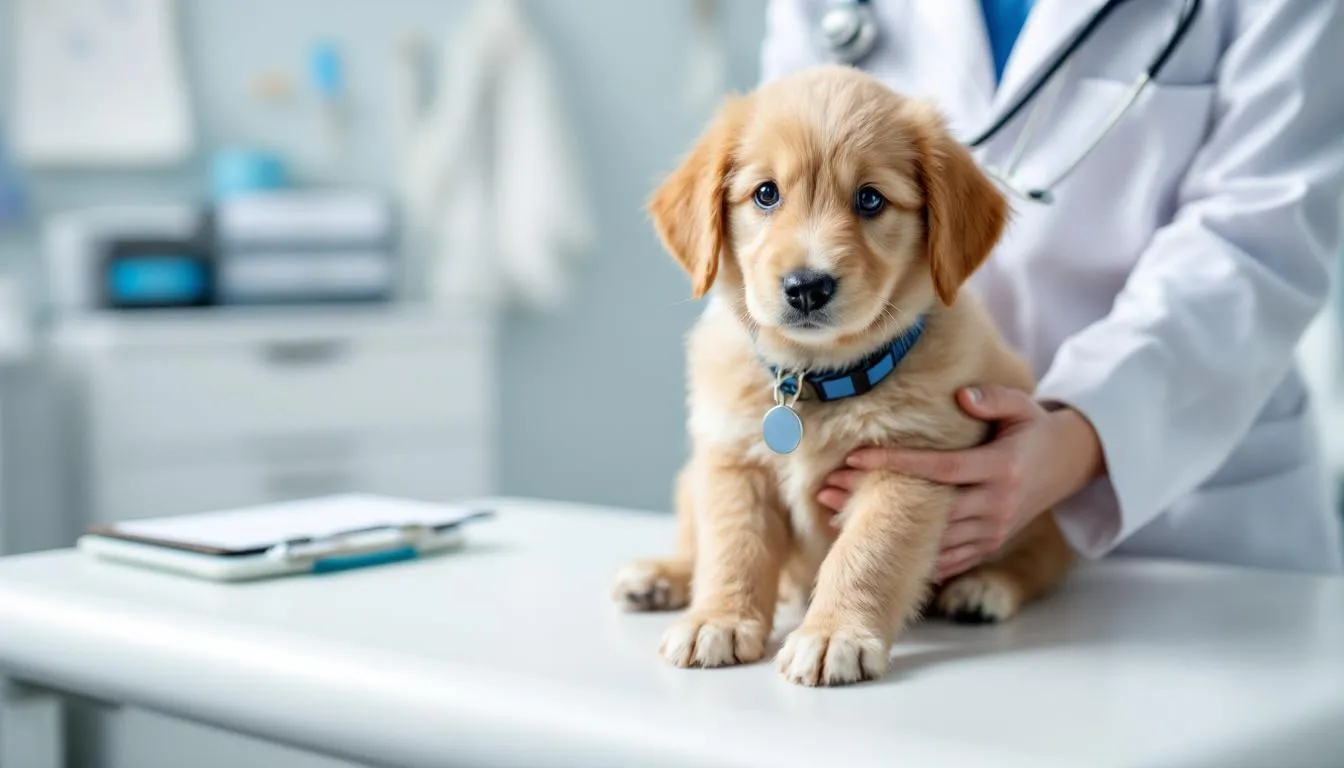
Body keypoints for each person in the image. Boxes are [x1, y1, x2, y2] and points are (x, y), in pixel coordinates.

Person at [757, 0, 1344, 576]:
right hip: (901, 510)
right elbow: (774, 188)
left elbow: (1257, 231)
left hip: (1190, 526)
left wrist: (1082, 435)